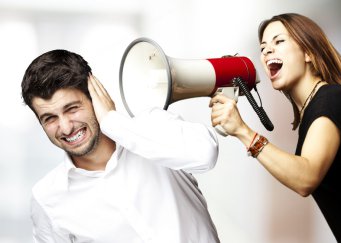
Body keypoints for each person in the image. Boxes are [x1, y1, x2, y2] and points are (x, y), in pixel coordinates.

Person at [210, 13, 341, 242]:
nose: (267, 51)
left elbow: (305, 178)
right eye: (263, 48)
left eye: (279, 41)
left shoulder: (331, 100)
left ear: (309, 52)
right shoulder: (317, 108)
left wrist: (243, 131)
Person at [22, 49, 220, 243]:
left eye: (72, 109)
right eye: (50, 118)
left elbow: (206, 154)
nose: (65, 128)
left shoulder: (153, 126)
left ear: (95, 96)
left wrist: (113, 122)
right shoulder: (46, 197)